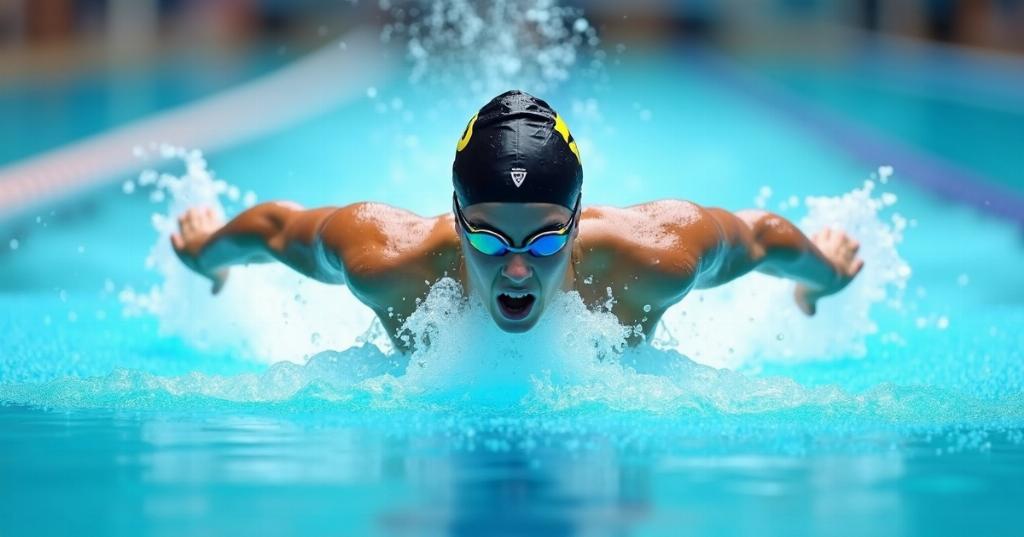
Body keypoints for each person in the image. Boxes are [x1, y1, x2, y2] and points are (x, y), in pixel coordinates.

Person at [172, 90, 863, 350]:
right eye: (487, 234)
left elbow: (764, 235)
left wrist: (824, 276)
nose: (517, 266)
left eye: (547, 236)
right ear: (453, 214)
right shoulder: (391, 263)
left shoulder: (652, 259)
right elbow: (276, 228)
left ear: (579, 216)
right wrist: (209, 253)